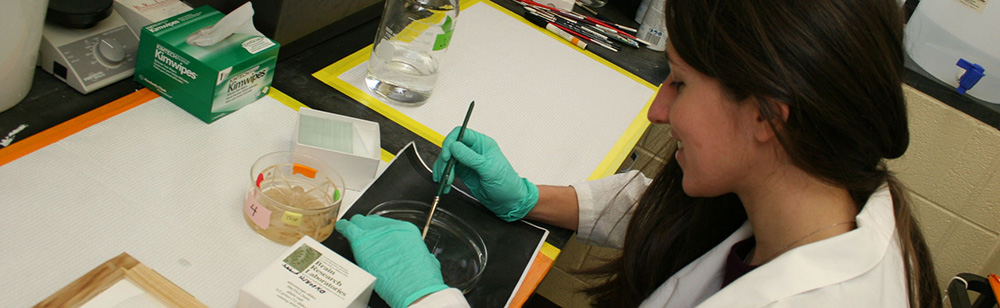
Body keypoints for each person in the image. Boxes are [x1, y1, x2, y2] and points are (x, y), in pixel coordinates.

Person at [333, 0, 942, 306]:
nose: (657, 109)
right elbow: (681, 219)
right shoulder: (824, 193)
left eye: (678, 82)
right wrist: (526, 198)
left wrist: (428, 299)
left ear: (766, 115)